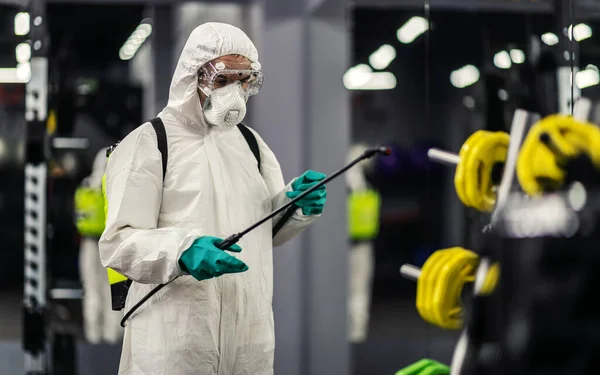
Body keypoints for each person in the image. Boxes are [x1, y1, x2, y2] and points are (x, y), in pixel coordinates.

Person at [99, 22, 327, 375]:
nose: (233, 93)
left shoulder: (252, 146)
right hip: (175, 342)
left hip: (250, 341)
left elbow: (267, 232)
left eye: (243, 80)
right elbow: (118, 243)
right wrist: (182, 250)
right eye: (222, 80)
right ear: (193, 76)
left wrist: (293, 206)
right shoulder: (150, 143)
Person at [78, 149, 123, 344]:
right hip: (112, 242)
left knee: (91, 289)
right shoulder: (118, 185)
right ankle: (112, 336)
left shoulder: (86, 186)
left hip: (89, 243)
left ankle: (93, 336)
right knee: (112, 289)